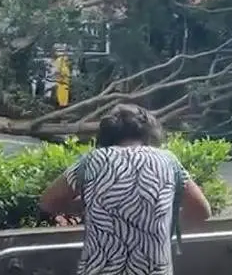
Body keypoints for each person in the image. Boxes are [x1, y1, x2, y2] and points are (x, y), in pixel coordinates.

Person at [39, 104, 212, 275]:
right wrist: (160, 220)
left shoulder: (92, 161)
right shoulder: (169, 161)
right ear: (149, 133)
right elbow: (202, 210)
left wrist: (88, 207)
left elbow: (47, 202)